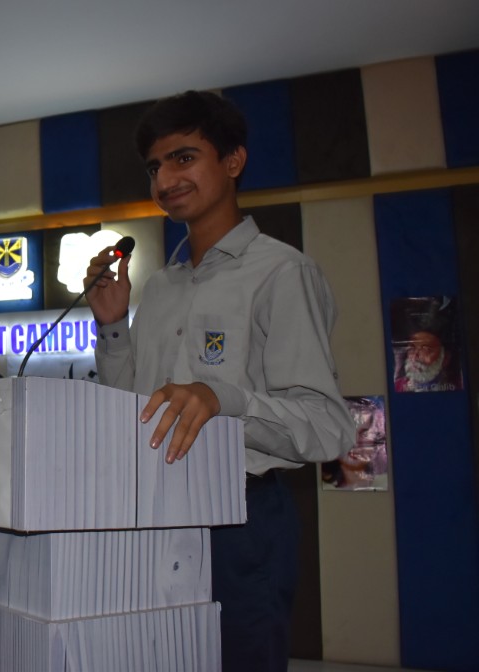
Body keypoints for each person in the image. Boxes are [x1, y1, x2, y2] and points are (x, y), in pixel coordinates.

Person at [84, 90, 355, 672]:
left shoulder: (282, 271)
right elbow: (132, 408)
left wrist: (222, 398)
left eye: (184, 158)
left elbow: (328, 426)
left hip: (241, 519)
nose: (165, 180)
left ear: (233, 161)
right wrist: (112, 328)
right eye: (155, 167)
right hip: (150, 513)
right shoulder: (158, 287)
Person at [393, 327, 460, 392]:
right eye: (412, 348)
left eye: (426, 350)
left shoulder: (458, 387)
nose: (414, 357)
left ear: (445, 358)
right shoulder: (396, 387)